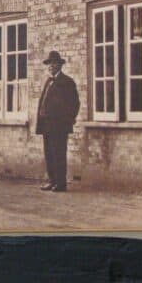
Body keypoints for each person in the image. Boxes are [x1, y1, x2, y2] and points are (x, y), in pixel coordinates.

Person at [35, 50, 80, 192]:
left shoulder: (67, 82)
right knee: (49, 154)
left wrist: (68, 120)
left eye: (54, 64)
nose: (51, 66)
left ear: (60, 65)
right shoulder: (48, 81)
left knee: (59, 154)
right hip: (47, 125)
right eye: (49, 64)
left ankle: (61, 183)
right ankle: (52, 181)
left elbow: (75, 104)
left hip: (59, 126)